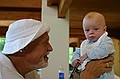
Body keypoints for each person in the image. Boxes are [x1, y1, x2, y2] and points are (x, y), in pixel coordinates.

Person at [72, 12, 116, 79]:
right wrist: (75, 59)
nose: (91, 32)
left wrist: (87, 54)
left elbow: (105, 49)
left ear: (104, 29)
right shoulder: (85, 44)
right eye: (87, 30)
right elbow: (78, 52)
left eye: (96, 29)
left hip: (104, 75)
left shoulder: (106, 40)